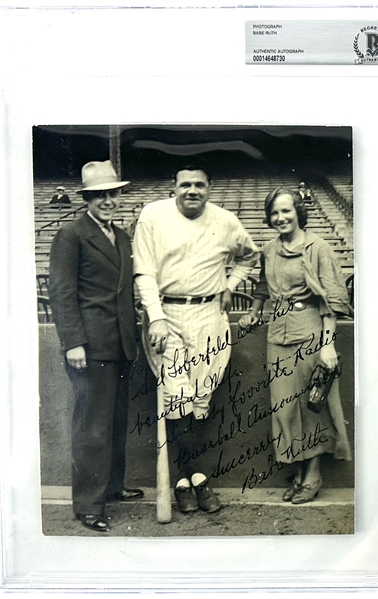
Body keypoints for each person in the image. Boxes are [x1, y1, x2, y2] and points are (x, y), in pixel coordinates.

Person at [133, 164, 259, 514]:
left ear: (209, 188)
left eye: (199, 185)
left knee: (200, 399)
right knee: (177, 397)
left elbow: (250, 257)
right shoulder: (152, 215)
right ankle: (193, 480)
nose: (192, 190)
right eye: (184, 184)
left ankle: (187, 479)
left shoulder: (225, 220)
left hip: (208, 316)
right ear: (172, 187)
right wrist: (155, 317)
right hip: (167, 315)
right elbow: (143, 271)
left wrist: (230, 286)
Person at [238, 187, 351, 504]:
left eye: (286, 211)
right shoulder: (270, 249)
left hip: (311, 335)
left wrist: (327, 345)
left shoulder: (319, 248)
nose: (280, 217)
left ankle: (312, 476)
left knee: (310, 407)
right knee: (286, 409)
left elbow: (333, 300)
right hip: (278, 336)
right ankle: (299, 472)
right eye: (274, 213)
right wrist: (254, 312)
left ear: (298, 212)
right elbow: (263, 285)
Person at [49, 160, 143, 532]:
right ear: (87, 198)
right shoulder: (71, 234)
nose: (107, 200)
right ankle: (88, 504)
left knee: (116, 422)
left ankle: (113, 487)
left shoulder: (121, 236)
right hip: (89, 348)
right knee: (92, 427)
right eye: (99, 195)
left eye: (112, 193)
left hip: (120, 344)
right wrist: (74, 342)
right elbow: (61, 292)